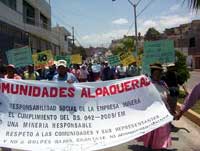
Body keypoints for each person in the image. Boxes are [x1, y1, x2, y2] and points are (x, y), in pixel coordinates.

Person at [137, 63, 172, 151]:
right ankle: (151, 144)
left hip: (163, 112)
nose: (157, 75)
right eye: (156, 73)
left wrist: (171, 109)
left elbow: (168, 96)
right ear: (152, 73)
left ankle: (159, 146)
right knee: (152, 132)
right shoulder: (147, 83)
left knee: (162, 131)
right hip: (151, 111)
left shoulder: (163, 84)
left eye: (159, 73)